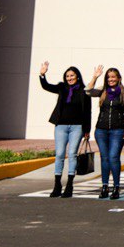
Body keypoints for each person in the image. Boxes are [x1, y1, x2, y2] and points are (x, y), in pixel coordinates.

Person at [38, 62, 92, 199]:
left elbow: (88, 112)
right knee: (60, 154)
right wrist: (42, 74)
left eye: (72, 75)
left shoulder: (84, 90)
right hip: (61, 126)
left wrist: (87, 129)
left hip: (77, 127)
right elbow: (46, 86)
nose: (69, 78)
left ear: (77, 77)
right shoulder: (62, 87)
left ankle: (69, 185)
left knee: (72, 154)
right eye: (67, 76)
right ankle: (57, 185)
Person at [85, 65, 124, 200]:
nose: (111, 79)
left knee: (113, 157)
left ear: (118, 78)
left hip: (118, 130)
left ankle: (116, 187)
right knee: (104, 158)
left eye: (113, 77)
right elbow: (88, 91)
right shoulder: (102, 90)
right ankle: (105, 186)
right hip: (101, 130)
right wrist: (95, 76)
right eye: (108, 77)